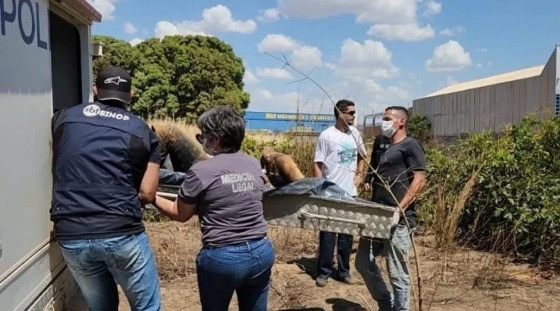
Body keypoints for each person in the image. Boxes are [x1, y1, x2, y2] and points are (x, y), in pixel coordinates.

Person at [50, 66, 161, 310]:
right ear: (130, 95)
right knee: (147, 307)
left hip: (71, 233)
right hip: (121, 231)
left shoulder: (63, 119)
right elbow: (147, 194)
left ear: (95, 90)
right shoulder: (141, 130)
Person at [152, 106, 275, 311]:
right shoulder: (252, 164)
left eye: (202, 136)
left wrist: (152, 196)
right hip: (261, 251)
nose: (201, 141)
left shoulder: (201, 170)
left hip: (223, 258)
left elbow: (180, 213)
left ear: (216, 140)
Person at [356, 106, 427, 311]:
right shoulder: (383, 144)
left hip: (399, 218)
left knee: (397, 271)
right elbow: (374, 167)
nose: (383, 122)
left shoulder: (411, 145)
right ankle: (385, 304)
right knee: (363, 262)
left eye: (387, 118)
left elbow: (420, 180)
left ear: (401, 122)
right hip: (377, 215)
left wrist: (400, 209)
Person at [313, 99, 367, 287]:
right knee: (328, 234)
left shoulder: (355, 134)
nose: (353, 115)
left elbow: (362, 155)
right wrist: (320, 187)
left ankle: (344, 272)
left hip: (349, 192)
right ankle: (324, 272)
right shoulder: (326, 135)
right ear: (340, 113)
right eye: (350, 113)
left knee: (347, 234)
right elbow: (318, 164)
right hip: (330, 192)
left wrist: (360, 173)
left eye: (354, 112)